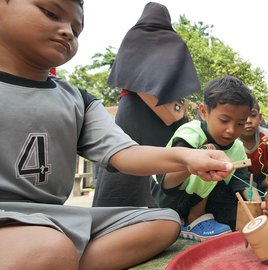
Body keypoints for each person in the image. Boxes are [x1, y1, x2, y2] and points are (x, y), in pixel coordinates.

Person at [0, 0, 235, 269]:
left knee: (165, 221)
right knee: (50, 247)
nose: (67, 31)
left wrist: (187, 157)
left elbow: (126, 153)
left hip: (52, 218)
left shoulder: (78, 99)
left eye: (76, 30)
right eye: (51, 13)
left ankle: (55, 260)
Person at [93, 2, 200, 208]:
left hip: (131, 112)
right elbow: (173, 92)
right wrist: (177, 111)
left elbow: (136, 79)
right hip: (163, 114)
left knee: (126, 160)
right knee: (155, 166)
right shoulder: (175, 42)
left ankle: (113, 220)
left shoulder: (132, 38)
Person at [152, 76, 268, 241]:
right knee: (210, 152)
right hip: (169, 196)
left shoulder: (237, 147)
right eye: (224, 120)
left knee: (234, 217)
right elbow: (167, 182)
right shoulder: (190, 133)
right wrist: (196, 163)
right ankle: (194, 219)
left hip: (201, 195)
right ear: (204, 112)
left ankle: (197, 218)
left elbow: (244, 183)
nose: (231, 130)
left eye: (240, 124)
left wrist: (258, 207)